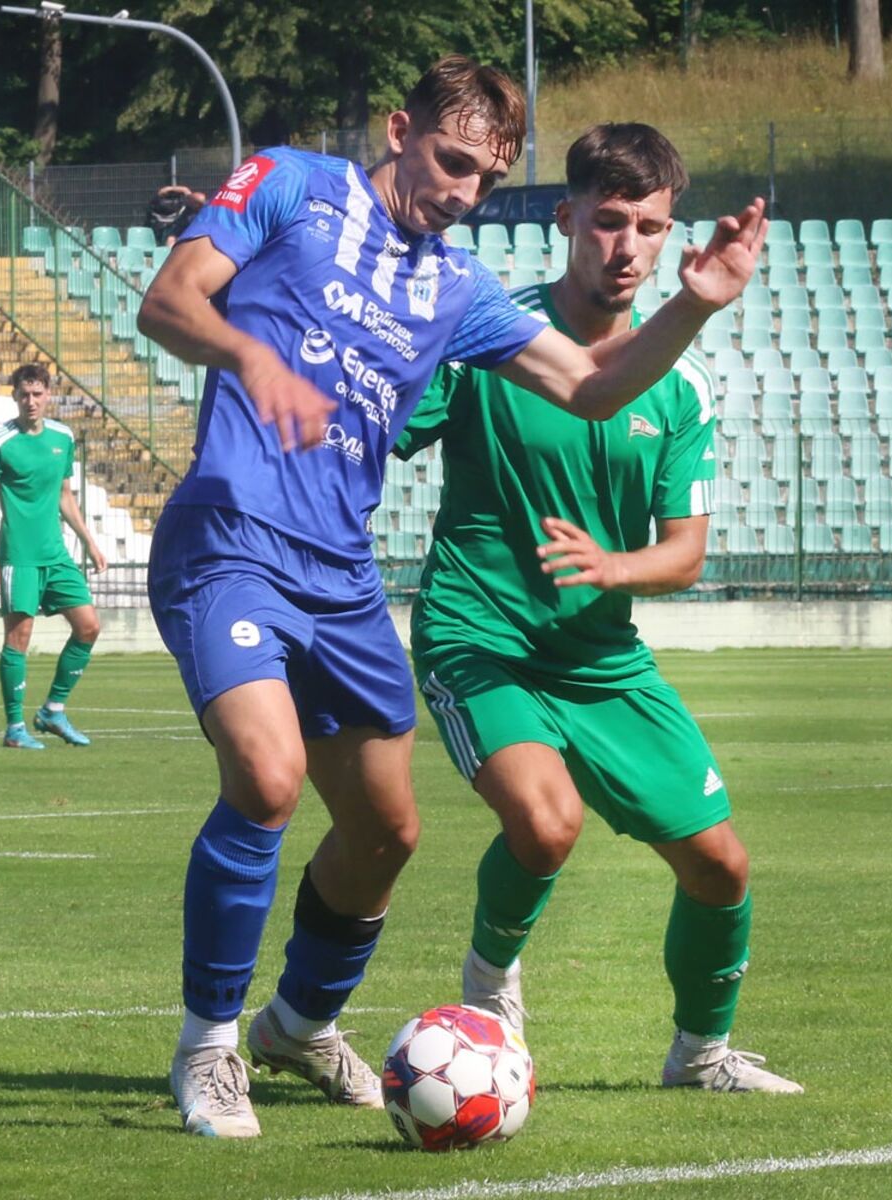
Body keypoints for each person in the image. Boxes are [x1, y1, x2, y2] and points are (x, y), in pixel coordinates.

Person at [136, 55, 767, 1139]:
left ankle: (298, 1024)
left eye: (484, 176)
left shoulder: (457, 287)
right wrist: (251, 356)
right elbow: (168, 301)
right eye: (451, 162)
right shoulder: (291, 182)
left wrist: (694, 308)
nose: (464, 191)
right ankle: (210, 1050)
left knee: (387, 834)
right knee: (269, 777)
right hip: (231, 537)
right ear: (399, 130)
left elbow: (595, 386)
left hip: (340, 577)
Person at [394, 123, 801, 1096]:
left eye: (649, 227)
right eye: (608, 222)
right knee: (547, 822)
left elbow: (685, 554)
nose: (626, 247)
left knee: (722, 867)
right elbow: (370, 425)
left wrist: (614, 569)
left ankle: (700, 1056)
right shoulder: (491, 340)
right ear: (568, 218)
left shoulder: (683, 388)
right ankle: (490, 989)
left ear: (671, 238)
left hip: (601, 660)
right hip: (478, 634)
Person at [0, 363, 107, 749]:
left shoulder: (63, 438)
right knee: (19, 637)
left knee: (88, 627)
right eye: (24, 394)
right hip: (18, 555)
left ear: (48, 394)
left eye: (37, 394)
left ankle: (53, 710)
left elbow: (65, 495)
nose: (30, 401)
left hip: (56, 554)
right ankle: (15, 728)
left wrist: (89, 542)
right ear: (14, 396)